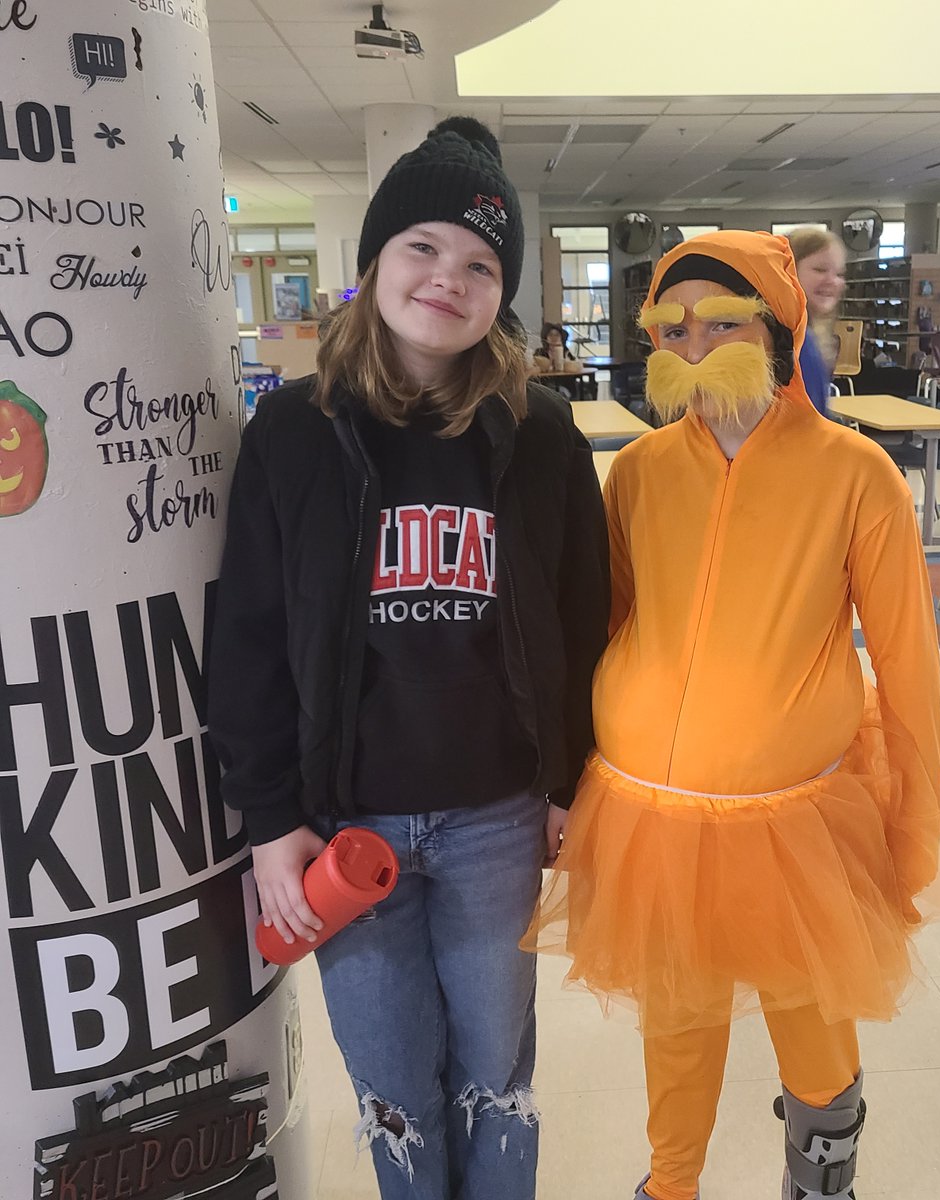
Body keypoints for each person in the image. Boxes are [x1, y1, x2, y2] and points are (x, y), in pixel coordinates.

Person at [208, 116, 609, 1200]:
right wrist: (271, 821)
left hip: (497, 821)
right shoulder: (294, 433)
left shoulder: (542, 433)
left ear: (502, 293)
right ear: (376, 258)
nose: (449, 279)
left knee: (496, 1075)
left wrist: (570, 781)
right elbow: (247, 637)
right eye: (424, 246)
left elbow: (585, 618)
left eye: (481, 264)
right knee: (394, 1086)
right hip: (348, 826)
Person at [525, 230, 940, 1200]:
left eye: (722, 323)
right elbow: (602, 628)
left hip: (792, 813)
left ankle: (822, 1176)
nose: (694, 347)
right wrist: (564, 781)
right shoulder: (638, 472)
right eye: (673, 329)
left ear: (777, 329)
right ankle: (670, 1184)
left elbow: (909, 670)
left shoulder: (856, 476)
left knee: (812, 1007)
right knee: (676, 1014)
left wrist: (914, 825)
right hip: (649, 810)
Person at [787, 226, 847, 414]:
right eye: (820, 270)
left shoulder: (808, 335)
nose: (833, 281)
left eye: (839, 274)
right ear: (789, 269)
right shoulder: (795, 342)